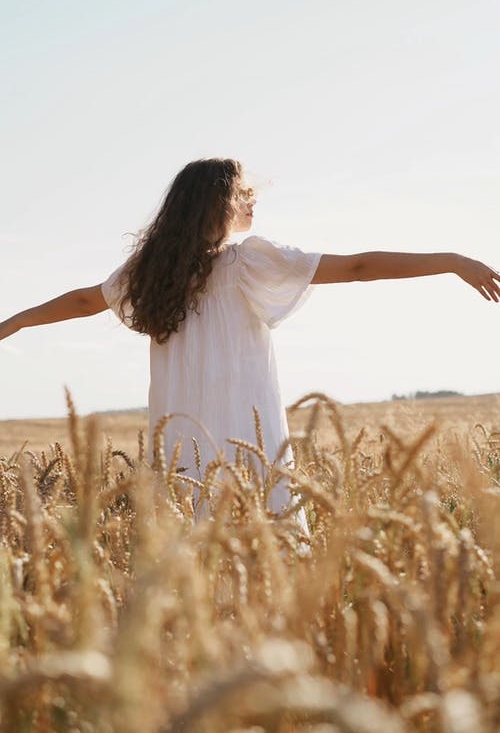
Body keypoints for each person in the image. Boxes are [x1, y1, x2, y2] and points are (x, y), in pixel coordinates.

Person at [1, 158, 499, 515]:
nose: (252, 201)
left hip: (181, 438)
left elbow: (86, 300)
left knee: (193, 543)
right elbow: (357, 268)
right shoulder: (246, 263)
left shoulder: (151, 273)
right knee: (260, 541)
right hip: (245, 430)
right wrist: (451, 261)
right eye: (243, 193)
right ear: (218, 205)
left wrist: (17, 322)